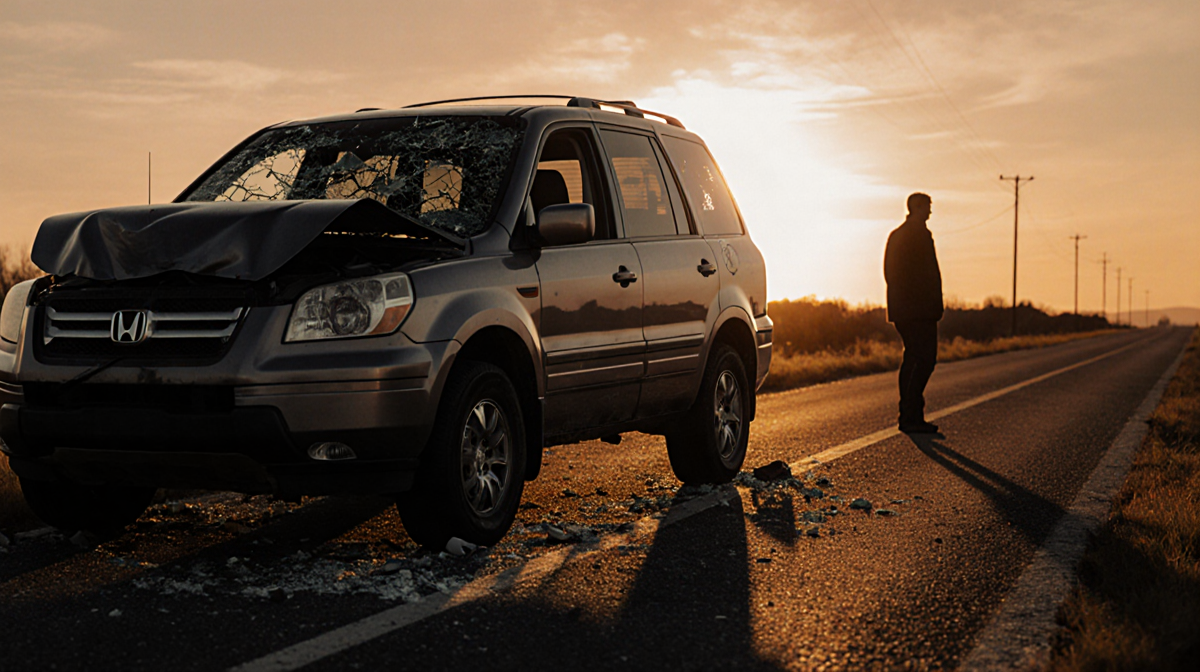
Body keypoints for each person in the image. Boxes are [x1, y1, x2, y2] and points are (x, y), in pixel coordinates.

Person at [884, 193, 943, 434]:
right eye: (927, 207)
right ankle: (909, 416)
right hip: (915, 310)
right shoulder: (909, 235)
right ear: (916, 208)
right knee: (922, 359)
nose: (930, 212)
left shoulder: (909, 234)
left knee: (917, 359)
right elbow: (894, 273)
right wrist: (917, 302)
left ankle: (912, 415)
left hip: (916, 309)